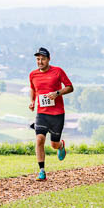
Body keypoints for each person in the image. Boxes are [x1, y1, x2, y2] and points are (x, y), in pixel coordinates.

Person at [28, 47, 74, 181]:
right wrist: (32, 101)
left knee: (53, 144)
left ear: (48, 59)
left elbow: (70, 87)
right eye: (38, 59)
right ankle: (41, 171)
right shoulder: (33, 74)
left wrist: (57, 93)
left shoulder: (58, 71)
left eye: (43, 59)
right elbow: (33, 89)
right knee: (39, 139)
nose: (40, 61)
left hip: (57, 114)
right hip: (41, 113)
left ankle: (60, 145)